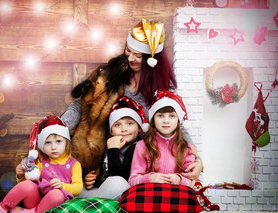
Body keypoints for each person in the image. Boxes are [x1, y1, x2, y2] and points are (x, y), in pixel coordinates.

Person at [61, 19, 202, 184]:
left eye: (138, 55)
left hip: (144, 163)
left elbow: (178, 124)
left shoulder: (164, 90)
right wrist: (56, 129)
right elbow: (81, 104)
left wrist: (197, 160)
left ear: (152, 59)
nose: (131, 58)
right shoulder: (115, 74)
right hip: (108, 155)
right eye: (128, 51)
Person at [0, 116, 83, 213]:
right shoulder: (40, 160)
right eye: (48, 142)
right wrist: (21, 175)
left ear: (66, 142)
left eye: (58, 141)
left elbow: (78, 188)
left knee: (57, 194)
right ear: (42, 146)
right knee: (27, 185)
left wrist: (63, 186)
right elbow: (32, 182)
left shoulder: (74, 164)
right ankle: (0, 209)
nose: (53, 147)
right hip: (35, 201)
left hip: (55, 204)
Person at [78, 96, 147, 200]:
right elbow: (107, 175)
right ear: (111, 131)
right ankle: (93, 203)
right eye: (117, 125)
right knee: (78, 188)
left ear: (139, 129)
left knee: (116, 184)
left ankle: (91, 206)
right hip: (109, 189)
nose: (124, 129)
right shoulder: (109, 145)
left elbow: (119, 179)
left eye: (129, 123)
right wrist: (92, 181)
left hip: (126, 191)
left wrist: (113, 149)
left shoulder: (138, 146)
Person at [129, 90, 195, 187]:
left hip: (175, 197)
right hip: (150, 196)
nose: (166, 121)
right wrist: (150, 178)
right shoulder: (142, 146)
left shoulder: (186, 148)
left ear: (178, 120)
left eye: (172, 116)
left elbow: (192, 182)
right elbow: (132, 180)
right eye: (160, 116)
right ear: (153, 119)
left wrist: (179, 179)